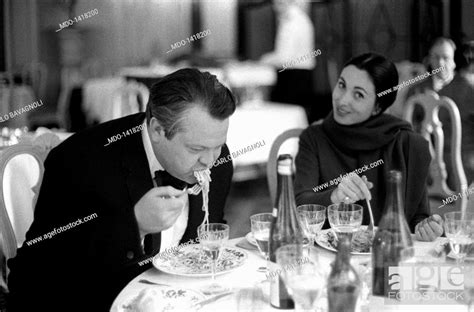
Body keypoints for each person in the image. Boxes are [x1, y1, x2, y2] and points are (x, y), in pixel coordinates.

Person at [6, 68, 236, 311]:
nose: (210, 161)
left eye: (218, 146)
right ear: (158, 130)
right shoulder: (81, 161)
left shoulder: (216, 159)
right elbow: (30, 280)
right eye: (195, 149)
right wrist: (134, 225)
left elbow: (209, 244)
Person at [294, 53, 443, 242]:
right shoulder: (314, 138)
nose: (342, 100)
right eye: (342, 85)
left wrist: (426, 227)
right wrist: (334, 196)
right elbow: (300, 207)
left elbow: (417, 217)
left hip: (389, 258)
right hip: (330, 258)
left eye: (358, 94)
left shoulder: (407, 144)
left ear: (377, 107)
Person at [406, 37, 474, 185]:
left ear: (454, 61)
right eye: (436, 57)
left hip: (462, 158)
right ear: (429, 60)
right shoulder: (417, 90)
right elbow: (409, 127)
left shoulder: (468, 89)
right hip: (428, 158)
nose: (440, 62)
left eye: (446, 57)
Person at [259, 0, 320, 122]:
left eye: (276, 3)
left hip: (293, 78)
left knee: (286, 119)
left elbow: (284, 58)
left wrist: (264, 60)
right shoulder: (301, 18)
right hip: (302, 77)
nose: (274, 7)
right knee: (297, 119)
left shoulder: (291, 21)